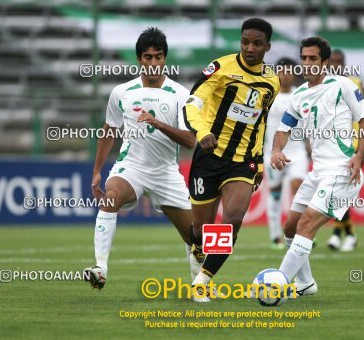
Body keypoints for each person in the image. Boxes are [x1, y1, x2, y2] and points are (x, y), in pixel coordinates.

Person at [84, 27, 199, 289]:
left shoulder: (181, 95)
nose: (153, 63)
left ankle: (199, 285)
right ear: (139, 59)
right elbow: (109, 131)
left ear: (165, 59)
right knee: (111, 198)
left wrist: (158, 123)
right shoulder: (122, 92)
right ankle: (100, 268)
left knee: (196, 237)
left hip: (165, 172)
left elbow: (190, 140)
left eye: (158, 57)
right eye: (148, 57)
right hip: (131, 167)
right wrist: (97, 171)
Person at [183, 18, 280, 302]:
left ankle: (202, 281)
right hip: (208, 155)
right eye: (245, 42)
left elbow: (260, 123)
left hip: (242, 161)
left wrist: (259, 162)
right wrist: (202, 133)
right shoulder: (220, 68)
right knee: (201, 232)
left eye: (257, 43)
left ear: (267, 46)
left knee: (233, 220)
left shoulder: (271, 81)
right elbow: (193, 103)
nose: (250, 48)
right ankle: (198, 258)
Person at [271, 37, 364, 296]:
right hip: (317, 172)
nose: (307, 63)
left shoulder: (343, 85)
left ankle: (277, 285)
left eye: (313, 58)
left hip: (342, 170)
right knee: (290, 227)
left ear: (325, 62)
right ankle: (305, 283)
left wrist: (359, 156)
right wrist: (276, 149)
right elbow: (284, 129)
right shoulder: (299, 95)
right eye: (304, 58)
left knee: (306, 224)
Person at [327, 48, 364, 252]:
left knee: (338, 192)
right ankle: (346, 234)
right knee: (337, 193)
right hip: (332, 146)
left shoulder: (356, 84)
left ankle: (341, 234)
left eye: (338, 62)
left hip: (352, 146)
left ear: (344, 63)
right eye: (332, 62)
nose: (335, 65)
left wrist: (363, 151)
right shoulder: (325, 85)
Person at [263, 57, 309, 249]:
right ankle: (275, 236)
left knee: (298, 189)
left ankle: (300, 234)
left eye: (289, 71)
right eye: (282, 71)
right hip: (272, 153)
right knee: (275, 194)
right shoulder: (268, 96)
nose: (286, 75)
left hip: (297, 153)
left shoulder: (300, 95)